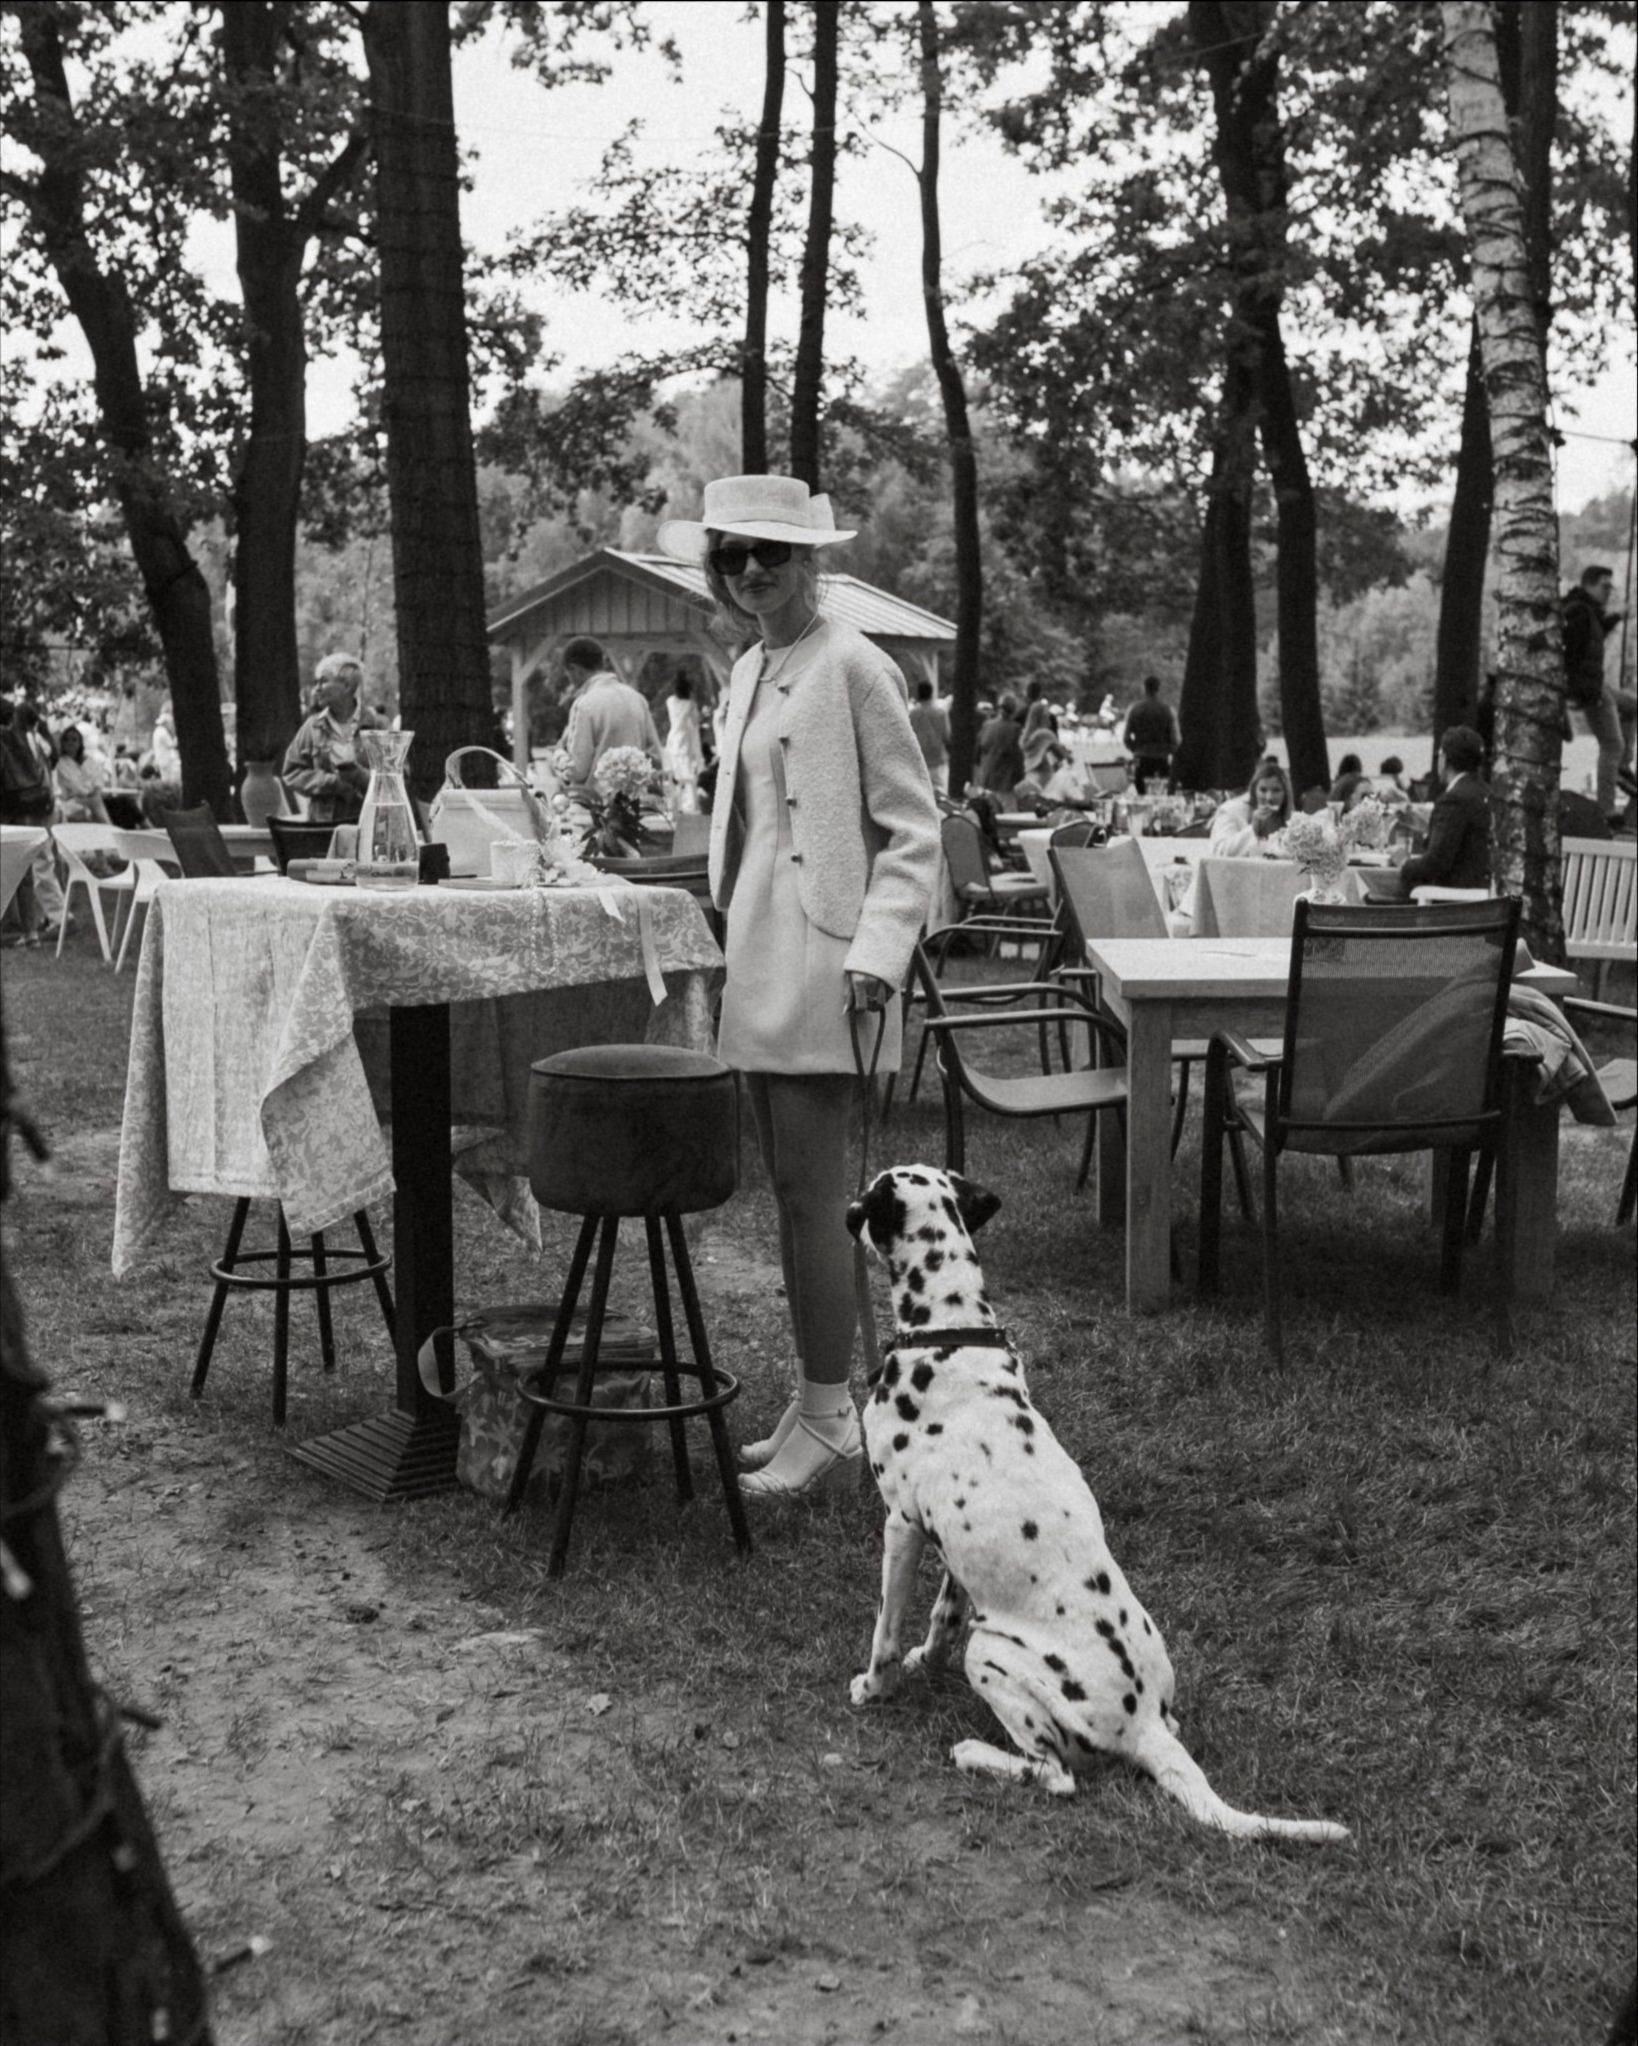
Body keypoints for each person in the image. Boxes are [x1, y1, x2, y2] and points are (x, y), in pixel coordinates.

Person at [656, 473, 939, 1502]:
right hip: (758, 955)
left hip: (831, 963)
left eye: (770, 552)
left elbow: (915, 833)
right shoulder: (750, 668)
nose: (751, 571)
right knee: (788, 1193)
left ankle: (833, 1416)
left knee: (819, 1199)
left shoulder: (856, 666)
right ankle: (823, 1399)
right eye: (732, 555)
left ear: (810, 559)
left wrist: (878, 955)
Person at [1563, 563, 1635, 822]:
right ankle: (1606, 809)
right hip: (1588, 688)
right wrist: (1571, 692)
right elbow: (1569, 654)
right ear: (1589, 584)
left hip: (1595, 683)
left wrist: (1617, 617)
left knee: (1632, 706)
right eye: (1604, 586)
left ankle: (1622, 768)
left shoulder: (1588, 611)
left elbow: (1595, 634)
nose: (1608, 591)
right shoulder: (1578, 612)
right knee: (1612, 744)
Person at [558, 638, 664, 794]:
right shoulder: (637, 698)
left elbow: (578, 769)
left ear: (575, 669)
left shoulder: (584, 704)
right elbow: (655, 757)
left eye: (569, 675)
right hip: (634, 803)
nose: (571, 682)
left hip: (595, 805)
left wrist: (558, 758)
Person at [1397, 725, 1491, 894]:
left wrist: (1403, 863)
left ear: (1444, 758)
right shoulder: (1485, 792)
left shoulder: (1453, 800)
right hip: (1483, 893)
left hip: (1452, 901)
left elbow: (1435, 863)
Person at [283, 653, 375, 826]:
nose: (316, 689)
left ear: (347, 686)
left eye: (323, 681)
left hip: (370, 825)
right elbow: (291, 772)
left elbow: (398, 779)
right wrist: (332, 783)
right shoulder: (312, 727)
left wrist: (359, 777)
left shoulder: (376, 725)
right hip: (323, 827)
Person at [1208, 761, 1295, 856]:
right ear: (1254, 791)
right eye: (1263, 790)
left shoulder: (1290, 820)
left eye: (1276, 790)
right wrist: (1253, 829)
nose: (1269, 797)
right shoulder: (1231, 810)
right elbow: (1219, 852)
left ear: (1285, 794)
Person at [1122, 676, 1178, 793]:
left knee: (1142, 794)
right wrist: (1167, 750)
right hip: (1162, 760)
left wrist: (1135, 749)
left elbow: (1126, 737)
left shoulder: (1135, 709)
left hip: (1142, 759)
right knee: (1162, 794)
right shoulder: (1167, 709)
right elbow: (1176, 739)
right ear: (1158, 688)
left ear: (1144, 688)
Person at [663, 673, 706, 812]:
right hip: (684, 740)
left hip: (672, 739)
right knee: (688, 776)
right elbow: (695, 722)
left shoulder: (670, 701)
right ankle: (691, 804)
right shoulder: (689, 704)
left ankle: (676, 805)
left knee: (675, 777)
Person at [53, 725, 110, 823]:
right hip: (70, 801)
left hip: (92, 799)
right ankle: (110, 828)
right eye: (66, 739)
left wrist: (95, 791)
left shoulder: (89, 761)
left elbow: (98, 781)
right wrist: (89, 794)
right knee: (95, 803)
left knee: (123, 801)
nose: (70, 742)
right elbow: (74, 787)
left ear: (80, 743)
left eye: (74, 739)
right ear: (62, 742)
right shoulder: (59, 763)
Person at [974, 696, 1024, 795]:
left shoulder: (987, 725)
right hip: (1005, 783)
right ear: (1013, 710)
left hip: (985, 780)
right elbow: (1018, 758)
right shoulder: (1015, 729)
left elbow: (977, 755)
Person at [907, 679, 950, 791]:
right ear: (931, 693)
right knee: (939, 793)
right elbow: (947, 736)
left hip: (919, 761)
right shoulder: (940, 712)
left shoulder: (912, 714)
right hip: (937, 759)